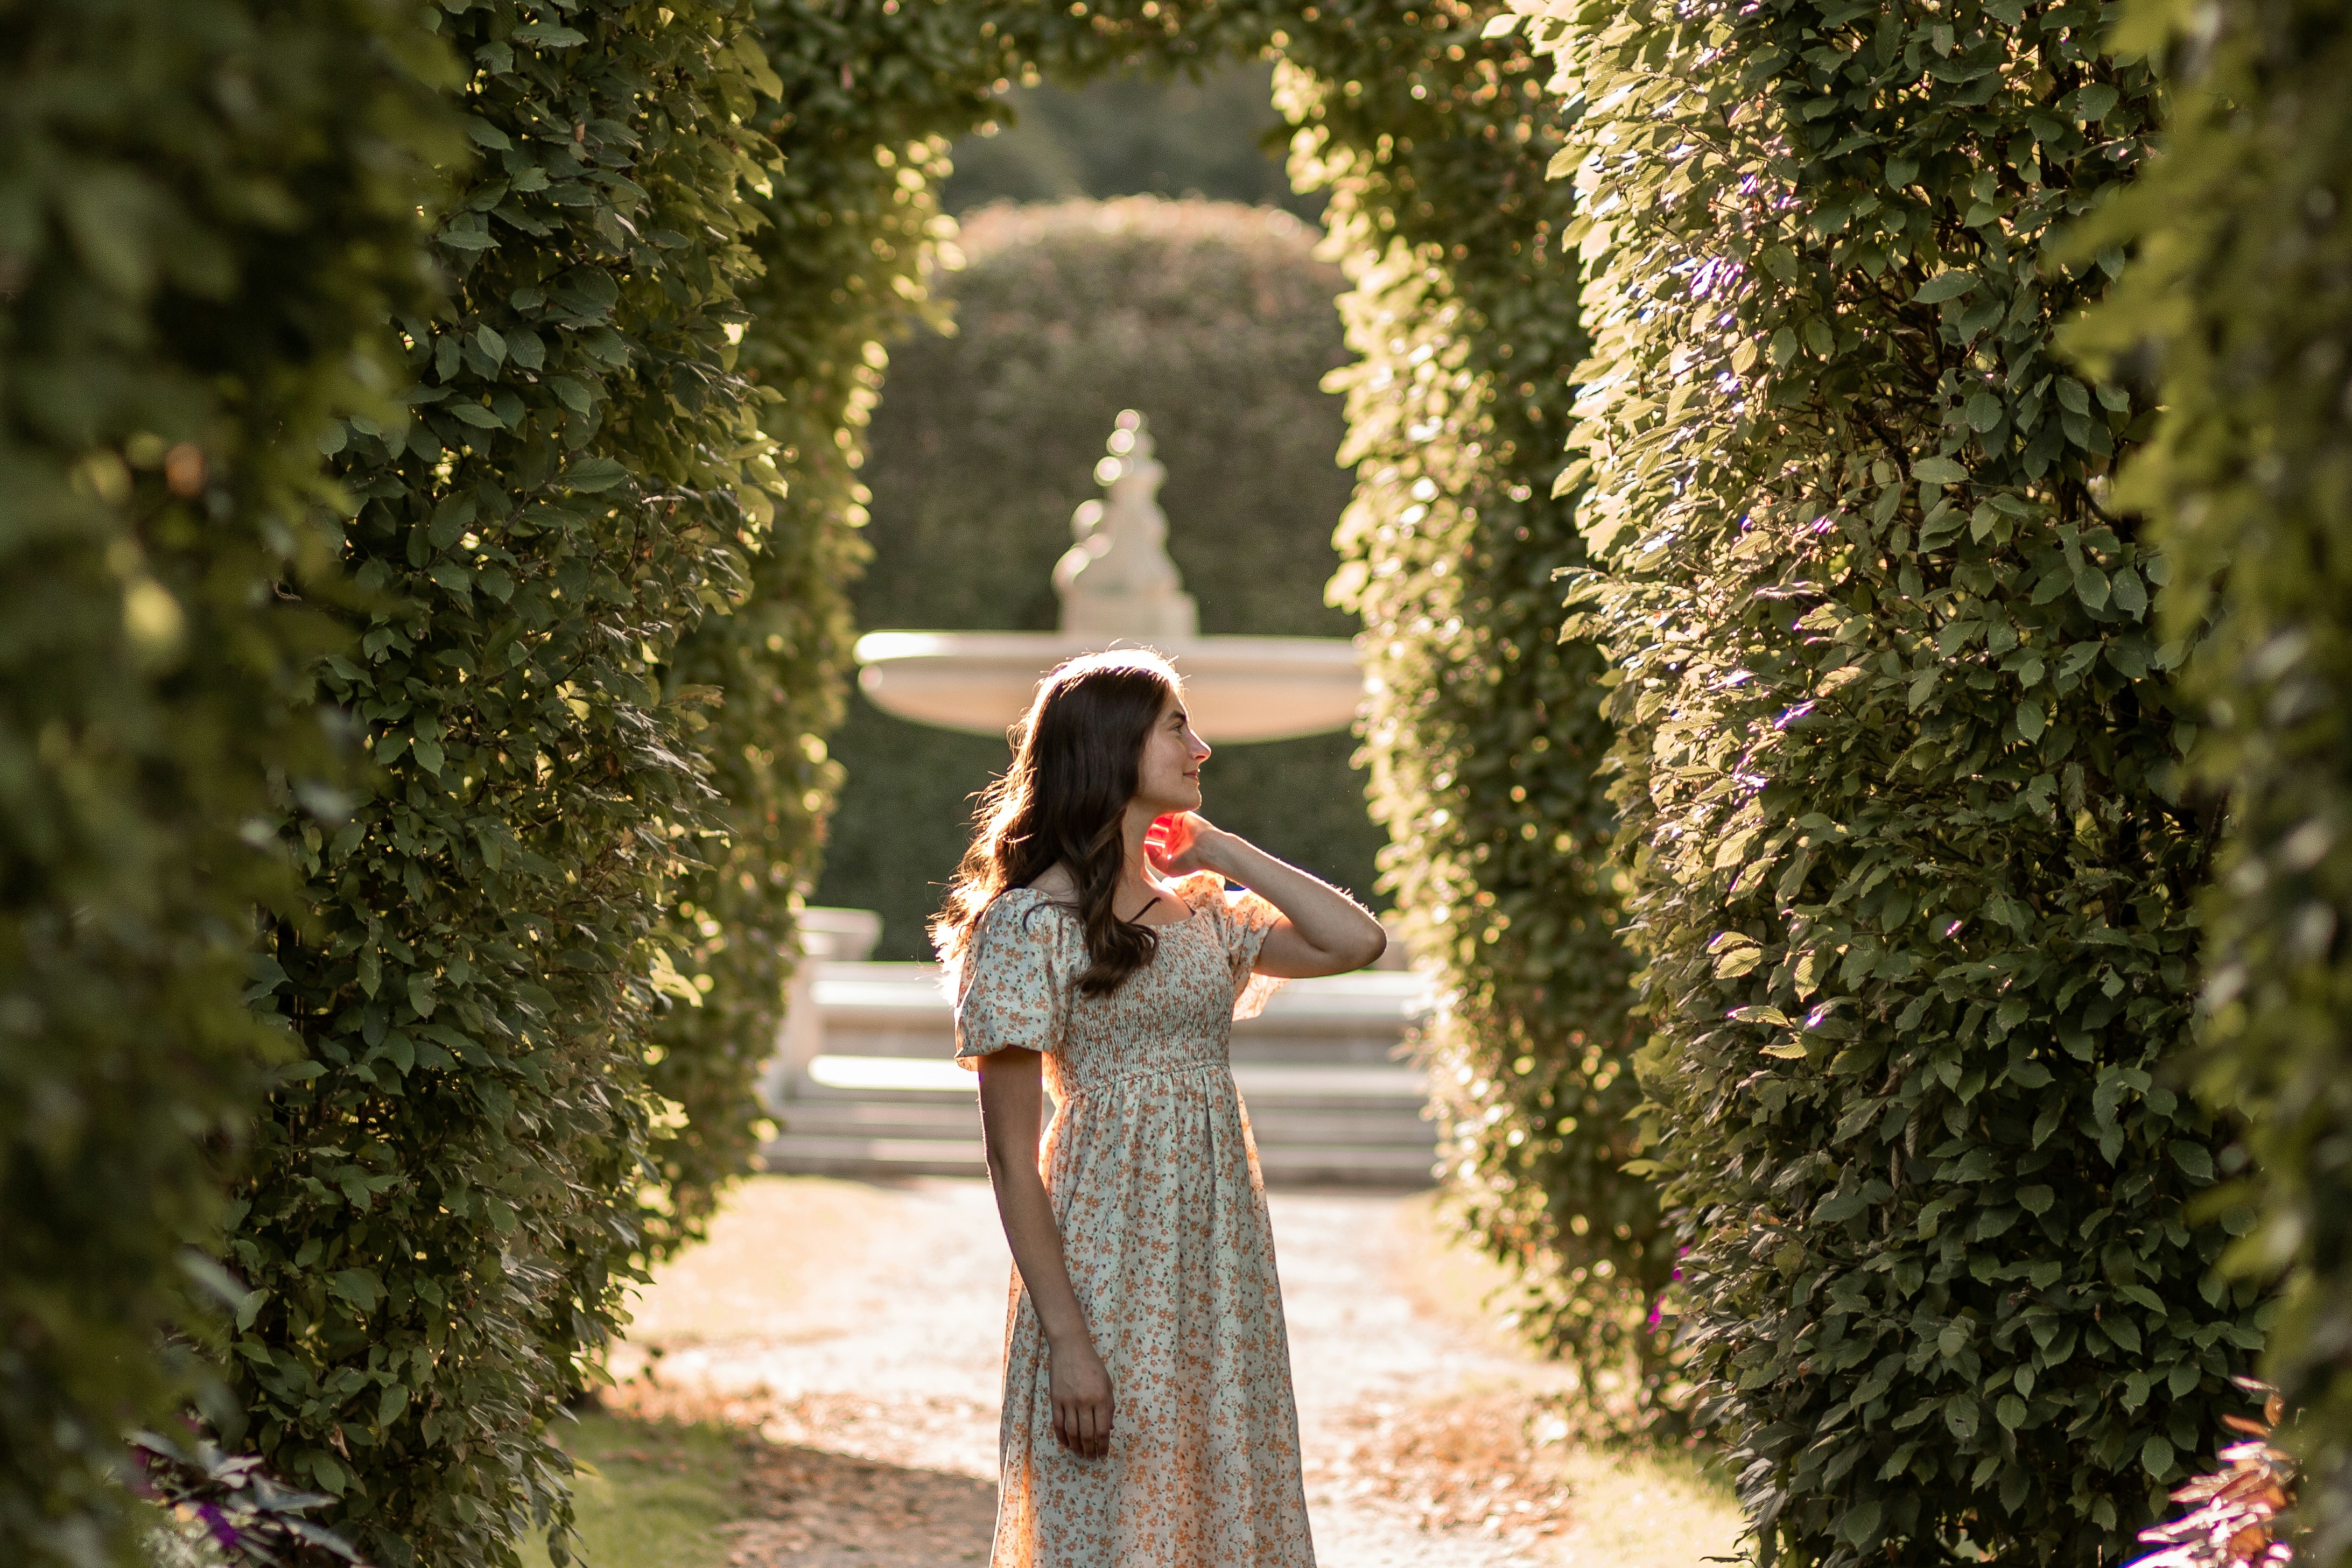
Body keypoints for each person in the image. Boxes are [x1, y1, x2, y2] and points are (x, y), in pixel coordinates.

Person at [933, 649, 1387, 1568]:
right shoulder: (1023, 926)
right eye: (1177, 725)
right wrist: (1068, 1339)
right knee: (1106, 1511)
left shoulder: (1208, 913)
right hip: (1103, 1263)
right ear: (1111, 743)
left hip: (1217, 1262)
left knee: (1219, 1497)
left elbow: (1356, 940)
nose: (1202, 746)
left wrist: (1220, 848)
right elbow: (1009, 1161)